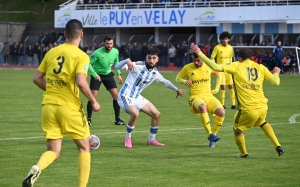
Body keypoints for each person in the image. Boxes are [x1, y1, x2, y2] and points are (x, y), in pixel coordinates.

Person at [22, 19, 100, 187]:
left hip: (48, 106)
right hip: (69, 107)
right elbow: (81, 81)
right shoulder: (81, 55)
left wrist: (53, 90)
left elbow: (37, 79)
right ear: (82, 35)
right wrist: (93, 100)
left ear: (64, 34)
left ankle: (37, 167)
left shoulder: (51, 52)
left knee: (53, 151)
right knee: (84, 148)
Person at [190, 44, 285, 158]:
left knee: (237, 130)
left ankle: (244, 154)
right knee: (262, 122)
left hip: (248, 109)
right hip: (263, 107)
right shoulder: (260, 67)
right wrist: (276, 72)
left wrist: (200, 53)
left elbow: (215, 67)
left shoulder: (237, 65)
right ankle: (277, 145)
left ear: (239, 58)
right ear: (251, 57)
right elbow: (276, 82)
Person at [115, 48, 185, 149]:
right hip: (125, 96)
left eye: (153, 58)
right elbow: (117, 66)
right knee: (135, 113)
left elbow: (166, 82)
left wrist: (176, 90)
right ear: (146, 58)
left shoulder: (155, 73)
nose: (151, 60)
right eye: (149, 58)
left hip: (136, 97)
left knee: (156, 114)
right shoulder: (137, 65)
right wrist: (126, 60)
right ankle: (128, 138)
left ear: (157, 59)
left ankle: (152, 140)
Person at [175, 53, 225, 147]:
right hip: (195, 96)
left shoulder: (209, 65)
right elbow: (178, 78)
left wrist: (217, 88)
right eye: (194, 60)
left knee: (221, 112)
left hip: (209, 96)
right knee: (202, 107)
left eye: (198, 60)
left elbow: (219, 75)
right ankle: (209, 134)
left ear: (202, 59)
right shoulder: (187, 67)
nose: (196, 63)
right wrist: (184, 81)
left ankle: (213, 136)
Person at [87, 35, 125, 126]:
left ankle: (117, 119)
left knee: (116, 96)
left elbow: (116, 62)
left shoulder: (115, 51)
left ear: (113, 43)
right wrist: (95, 75)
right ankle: (88, 119)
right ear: (104, 43)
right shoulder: (97, 53)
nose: (109, 45)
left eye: (111, 43)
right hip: (97, 75)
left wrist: (118, 74)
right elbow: (88, 64)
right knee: (93, 97)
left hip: (108, 75)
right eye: (107, 43)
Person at [211, 31, 236, 109]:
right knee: (223, 87)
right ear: (221, 39)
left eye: (226, 39)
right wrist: (215, 68)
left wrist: (232, 68)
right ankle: (222, 104)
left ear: (228, 39)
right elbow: (212, 58)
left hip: (228, 70)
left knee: (231, 86)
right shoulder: (217, 47)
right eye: (223, 39)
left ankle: (233, 105)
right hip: (221, 71)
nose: (225, 40)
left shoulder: (230, 48)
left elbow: (231, 59)